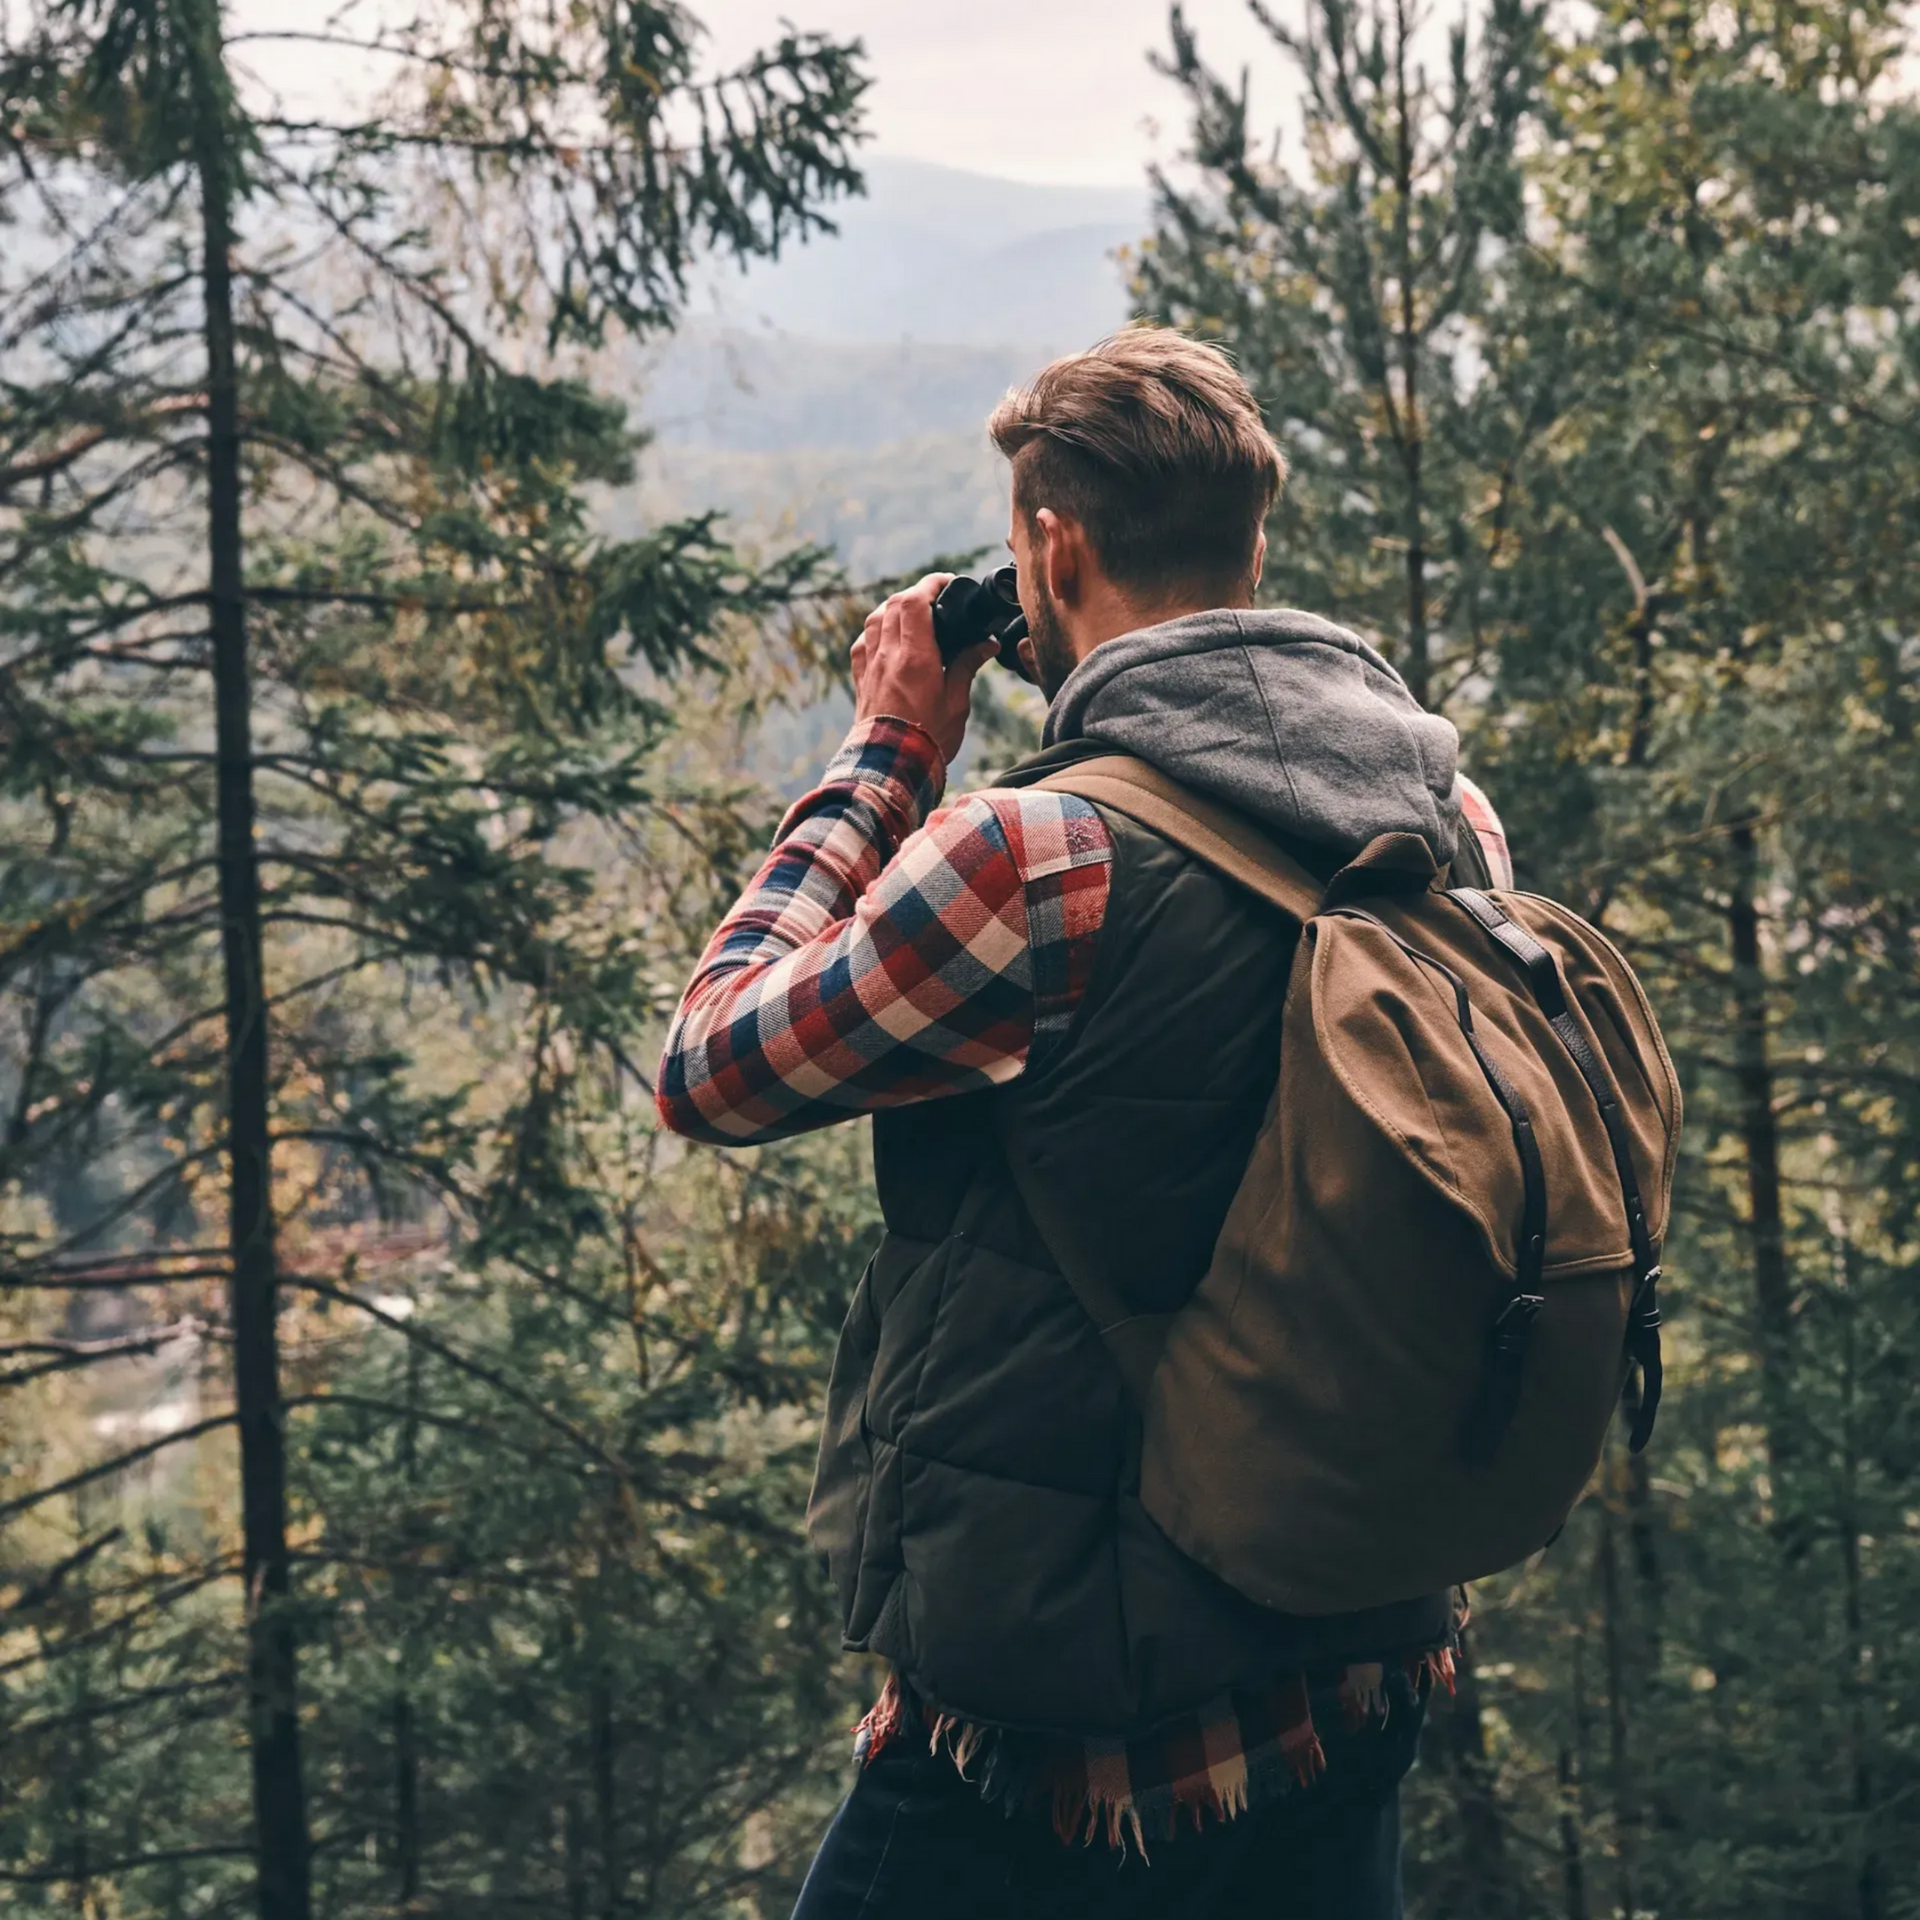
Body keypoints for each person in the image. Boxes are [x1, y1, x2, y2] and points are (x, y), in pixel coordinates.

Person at [656, 328, 1514, 1919]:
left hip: (1060, 1729)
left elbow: (712, 1064)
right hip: (1356, 1657)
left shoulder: (1032, 863)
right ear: (1249, 540)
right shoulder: (1449, 820)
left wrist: (888, 751)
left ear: (1050, 550)